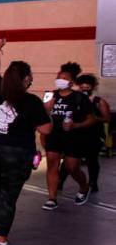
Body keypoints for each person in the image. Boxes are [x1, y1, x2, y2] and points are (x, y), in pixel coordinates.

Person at [0, 39, 51, 245]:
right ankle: (2, 242)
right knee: (9, 196)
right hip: (17, 153)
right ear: (26, 79)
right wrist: (46, 110)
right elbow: (46, 130)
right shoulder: (31, 101)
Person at [41, 62, 96, 210]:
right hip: (54, 135)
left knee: (72, 167)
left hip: (74, 137)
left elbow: (92, 119)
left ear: (71, 82)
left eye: (63, 78)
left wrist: (75, 125)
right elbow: (42, 116)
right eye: (58, 76)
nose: (59, 79)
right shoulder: (50, 96)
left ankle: (84, 187)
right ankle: (52, 198)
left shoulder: (79, 98)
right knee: (52, 164)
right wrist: (46, 109)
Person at [76, 74, 111, 193]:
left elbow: (107, 118)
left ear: (92, 87)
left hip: (94, 135)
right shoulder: (75, 100)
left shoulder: (99, 102)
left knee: (92, 160)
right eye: (82, 87)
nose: (84, 90)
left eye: (87, 88)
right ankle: (60, 181)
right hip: (78, 134)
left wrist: (95, 118)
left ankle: (92, 183)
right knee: (71, 160)